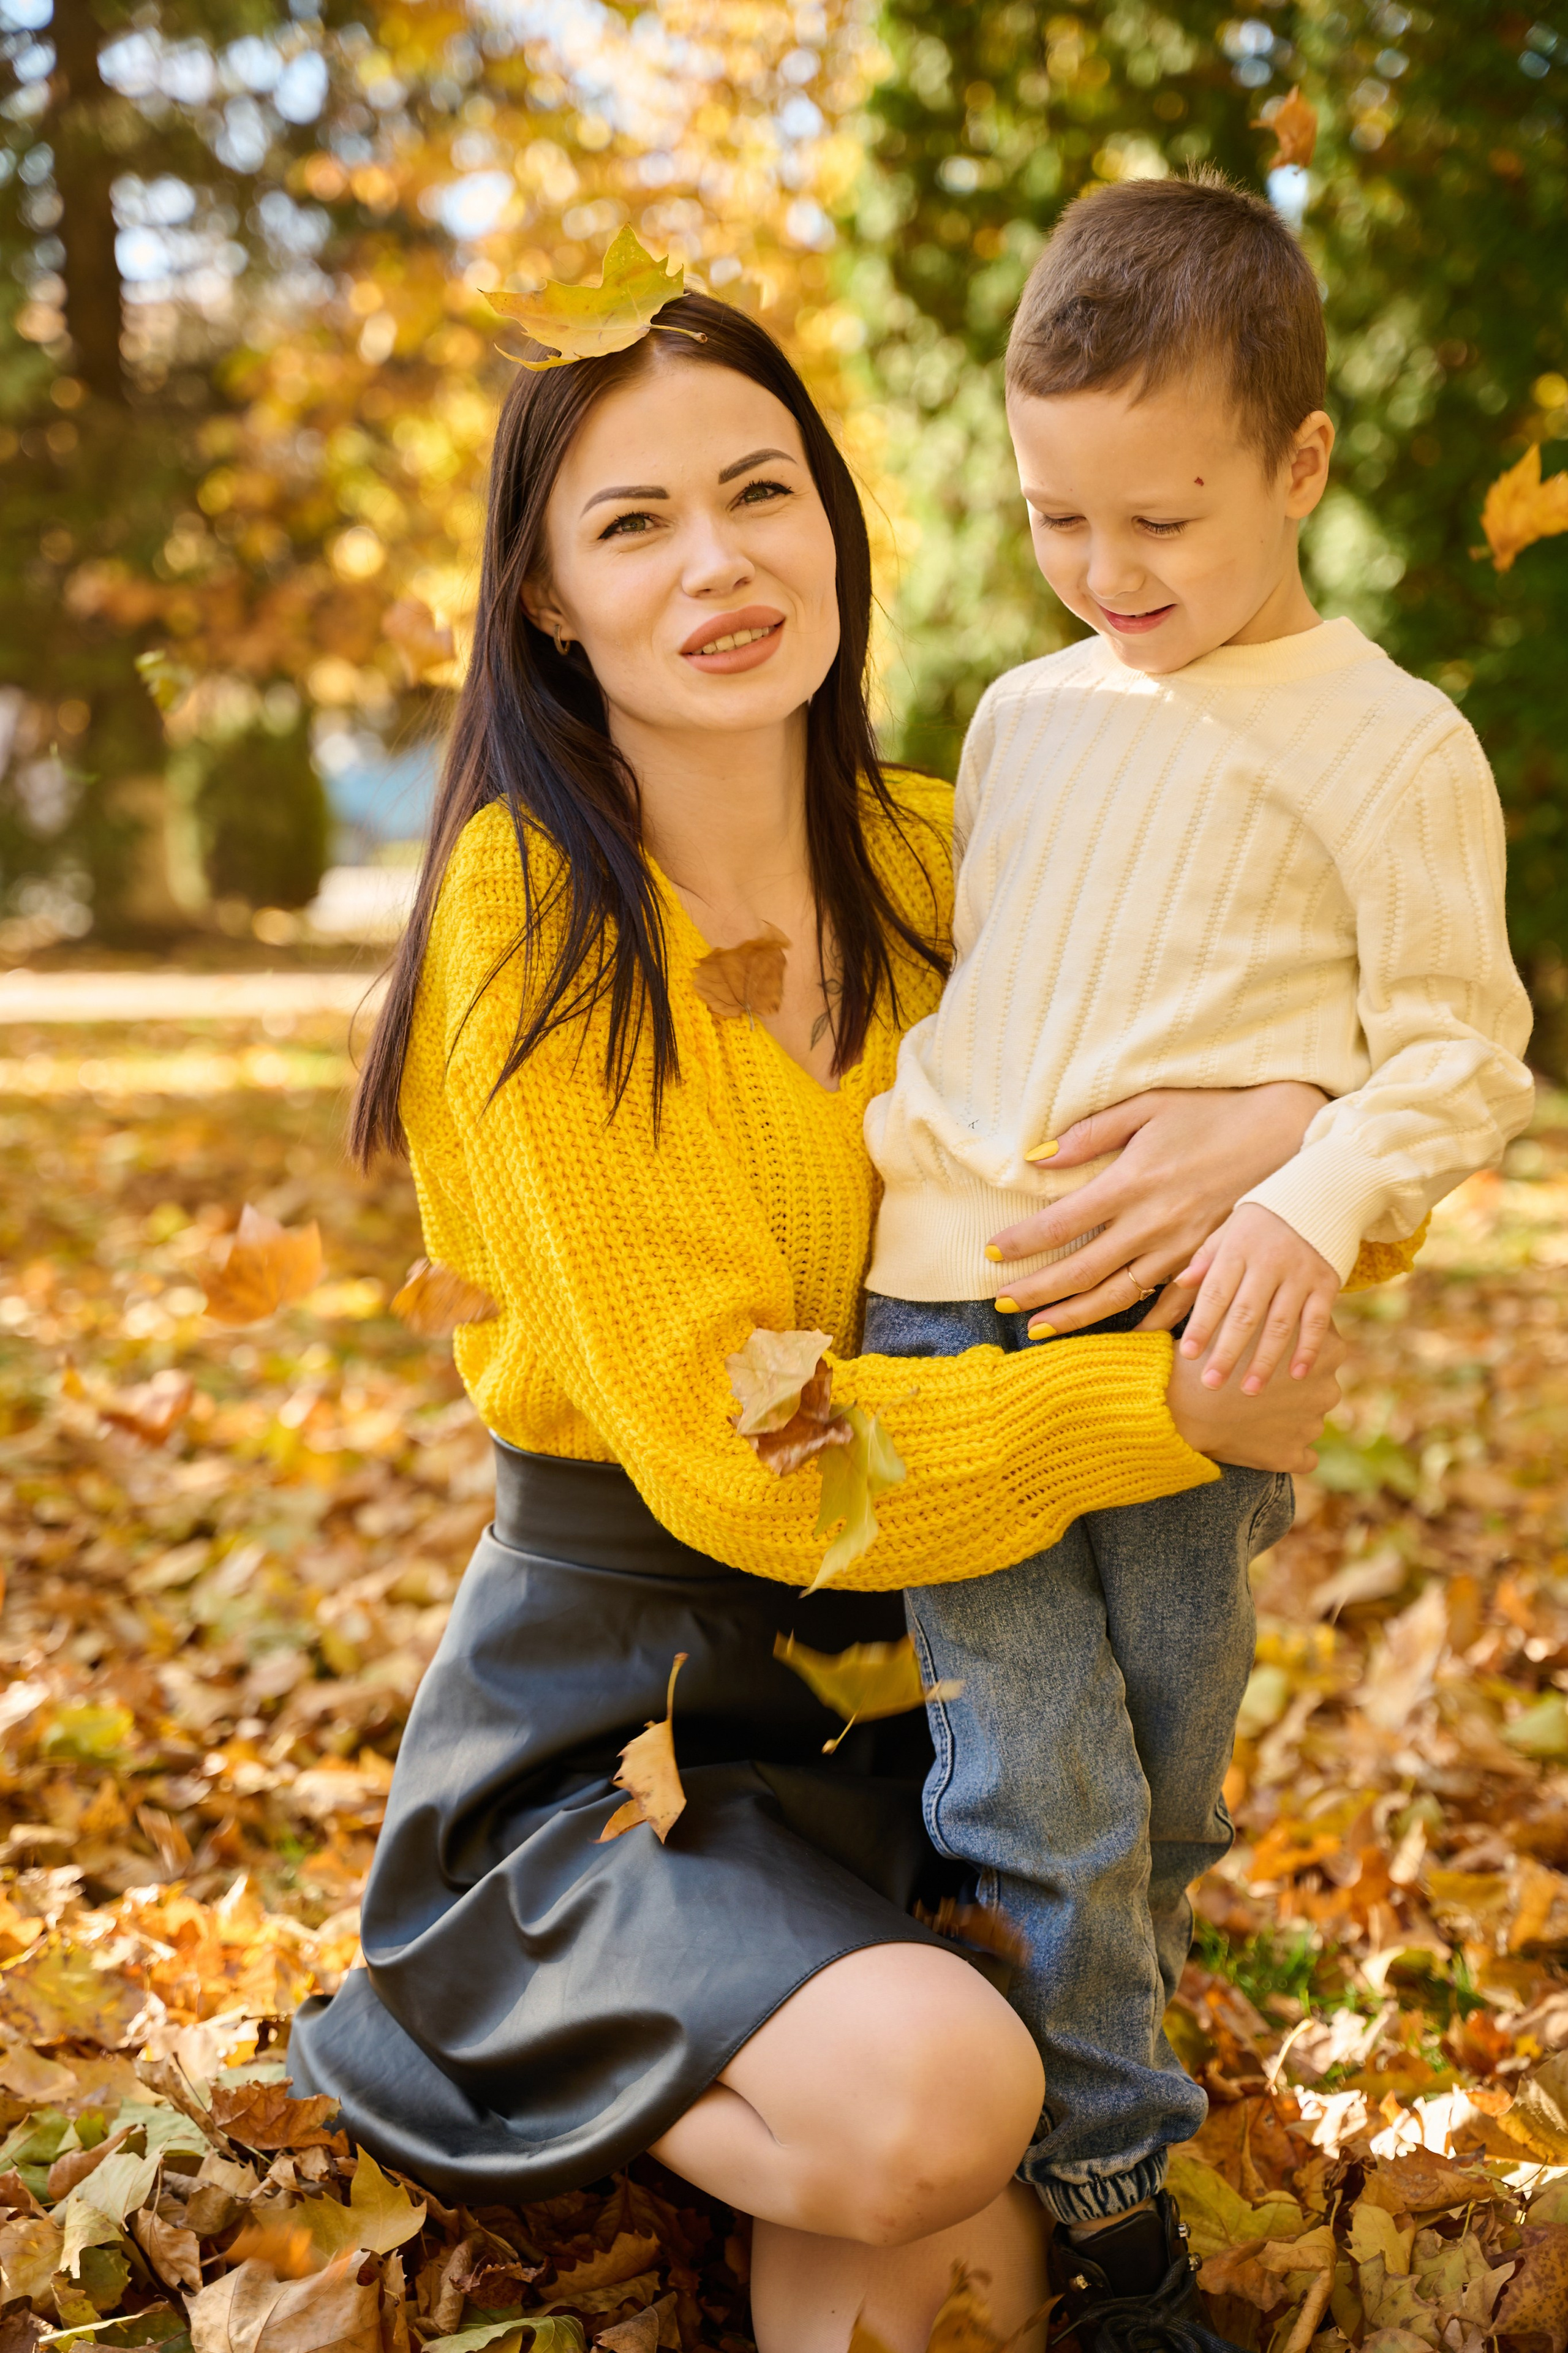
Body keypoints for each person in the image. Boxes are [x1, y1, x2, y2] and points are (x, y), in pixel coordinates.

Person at [288, 271, 1347, 2353]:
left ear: (836, 525)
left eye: (762, 489)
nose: (722, 561)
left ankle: (792, 2045)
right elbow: (756, 1464)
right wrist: (1176, 1417)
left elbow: (1297, 1129)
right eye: (633, 525)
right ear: (548, 609)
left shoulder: (972, 857)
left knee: (945, 2231)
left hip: (956, 1697)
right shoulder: (529, 933)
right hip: (624, 1726)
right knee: (950, 2091)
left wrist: (1284, 1125)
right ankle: (559, 2051)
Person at [861, 171, 1534, 2346]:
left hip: (1191, 1334)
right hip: (950, 1295)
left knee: (1168, 1745)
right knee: (1040, 1760)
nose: (1105, 574)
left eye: (1164, 519)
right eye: (1061, 518)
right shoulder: (1026, 719)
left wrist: (1300, 1176)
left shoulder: (1390, 739)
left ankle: (1079, 1970)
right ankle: (1114, 2185)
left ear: (1299, 466)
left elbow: (1466, 1056)